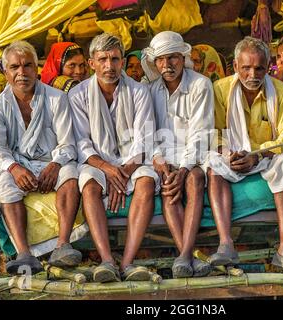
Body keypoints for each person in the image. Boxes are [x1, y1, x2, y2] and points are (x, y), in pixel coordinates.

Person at [206, 36, 283, 272]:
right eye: (246, 68)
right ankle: (226, 244)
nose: (253, 75)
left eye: (259, 68)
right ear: (236, 67)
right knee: (212, 164)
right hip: (234, 156)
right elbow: (214, 134)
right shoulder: (220, 89)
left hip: (266, 157)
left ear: (268, 66)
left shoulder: (282, 92)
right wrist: (228, 153)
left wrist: (257, 155)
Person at [0, 41, 82, 275]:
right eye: (15, 67)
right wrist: (15, 168)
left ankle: (63, 245)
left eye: (27, 65)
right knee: (5, 184)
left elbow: (68, 143)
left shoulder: (56, 98)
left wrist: (56, 164)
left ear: (36, 69)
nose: (21, 72)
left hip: (52, 161)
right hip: (19, 165)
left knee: (71, 174)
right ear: (5, 71)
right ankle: (24, 253)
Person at [69, 33, 159, 282]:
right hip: (97, 162)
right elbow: (82, 143)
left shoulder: (139, 92)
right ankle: (107, 260)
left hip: (133, 162)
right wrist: (109, 170)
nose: (110, 66)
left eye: (115, 59)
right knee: (88, 186)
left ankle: (128, 262)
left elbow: (144, 140)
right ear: (92, 63)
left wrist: (122, 173)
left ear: (122, 61)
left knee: (147, 183)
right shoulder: (78, 95)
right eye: (103, 59)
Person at [142, 31, 214, 278]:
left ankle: (183, 256)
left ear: (183, 58)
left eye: (172, 58)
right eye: (160, 60)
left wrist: (182, 168)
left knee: (194, 179)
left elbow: (200, 133)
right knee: (167, 186)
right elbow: (147, 133)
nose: (166, 65)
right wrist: (162, 164)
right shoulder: (148, 90)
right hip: (161, 159)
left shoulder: (200, 84)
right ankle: (189, 254)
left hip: (192, 156)